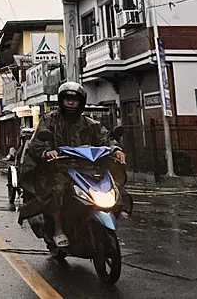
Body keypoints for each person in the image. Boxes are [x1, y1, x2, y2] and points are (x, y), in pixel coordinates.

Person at [17, 81, 125, 248]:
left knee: (113, 187)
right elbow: (37, 142)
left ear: (81, 103)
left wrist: (116, 149)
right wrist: (47, 151)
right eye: (67, 99)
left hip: (86, 170)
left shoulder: (90, 124)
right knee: (57, 189)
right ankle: (58, 229)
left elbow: (106, 138)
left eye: (74, 100)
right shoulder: (49, 120)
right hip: (59, 169)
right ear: (61, 101)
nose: (71, 103)